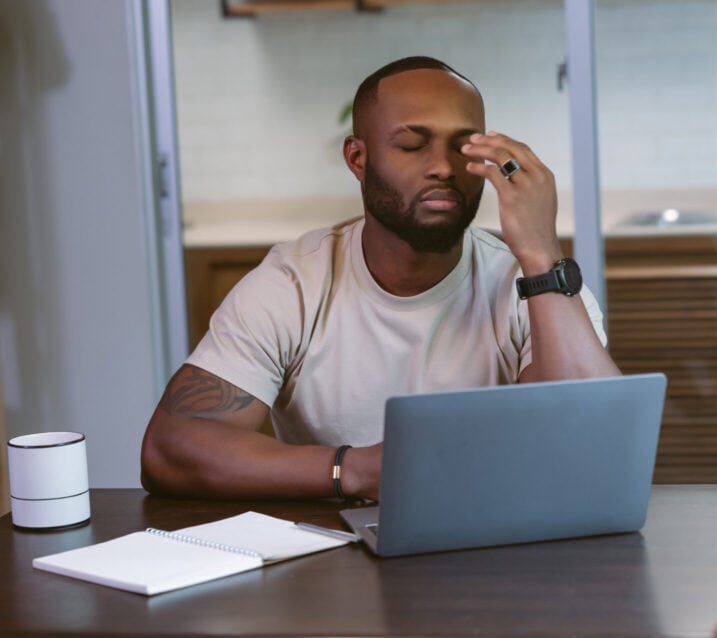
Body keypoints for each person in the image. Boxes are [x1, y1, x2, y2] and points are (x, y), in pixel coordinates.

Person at [140, 56, 620, 501]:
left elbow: (598, 447)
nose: (443, 167)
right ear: (358, 159)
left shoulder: (536, 283)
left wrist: (540, 252)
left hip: (502, 552)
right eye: (412, 144)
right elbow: (170, 449)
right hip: (335, 561)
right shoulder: (294, 283)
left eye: (463, 147)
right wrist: (357, 470)